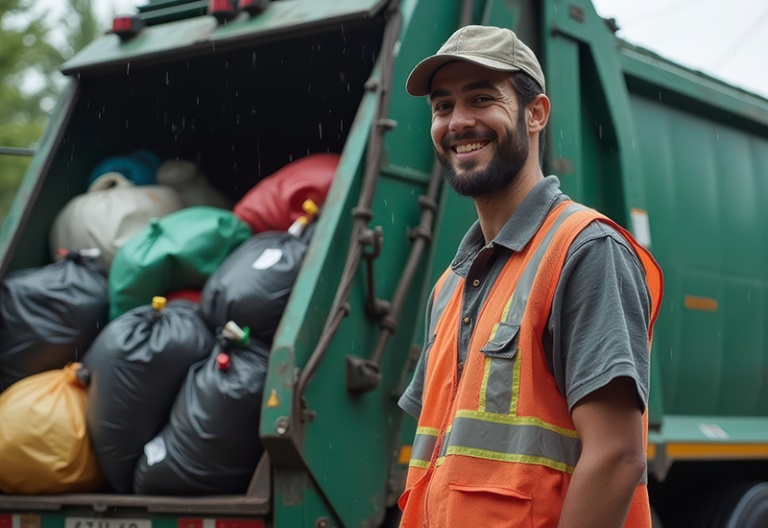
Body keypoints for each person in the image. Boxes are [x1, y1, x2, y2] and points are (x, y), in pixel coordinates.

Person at [397, 25, 663, 528]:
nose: (458, 122)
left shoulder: (585, 250)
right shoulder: (450, 286)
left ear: (535, 113)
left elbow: (616, 457)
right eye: (442, 106)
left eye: (481, 99)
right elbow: (438, 465)